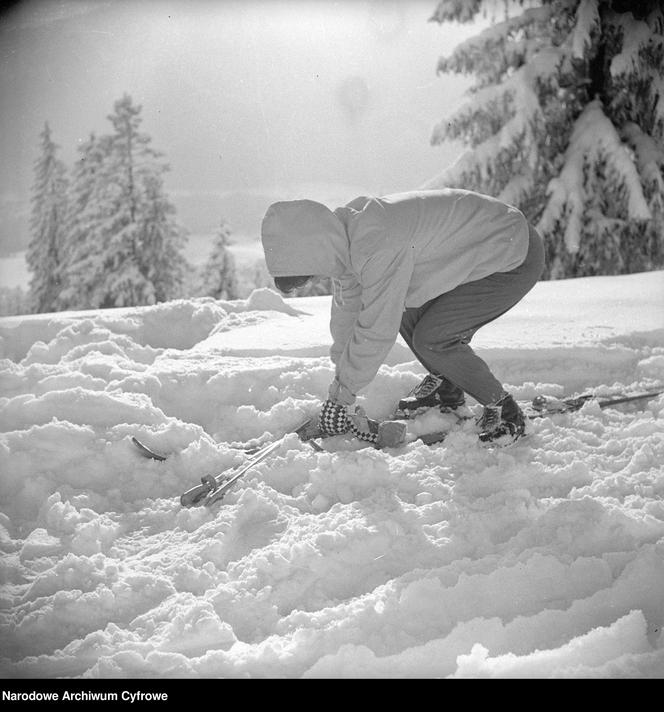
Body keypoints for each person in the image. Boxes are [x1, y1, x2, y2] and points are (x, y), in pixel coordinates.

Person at [261, 189, 545, 445]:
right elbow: (349, 313)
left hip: (512, 252)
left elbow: (376, 329)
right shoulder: (347, 238)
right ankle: (447, 389)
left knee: (434, 339)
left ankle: (507, 414)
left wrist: (343, 395)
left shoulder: (376, 245)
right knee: (403, 312)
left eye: (308, 272)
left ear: (316, 249)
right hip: (484, 247)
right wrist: (341, 387)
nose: (312, 279)